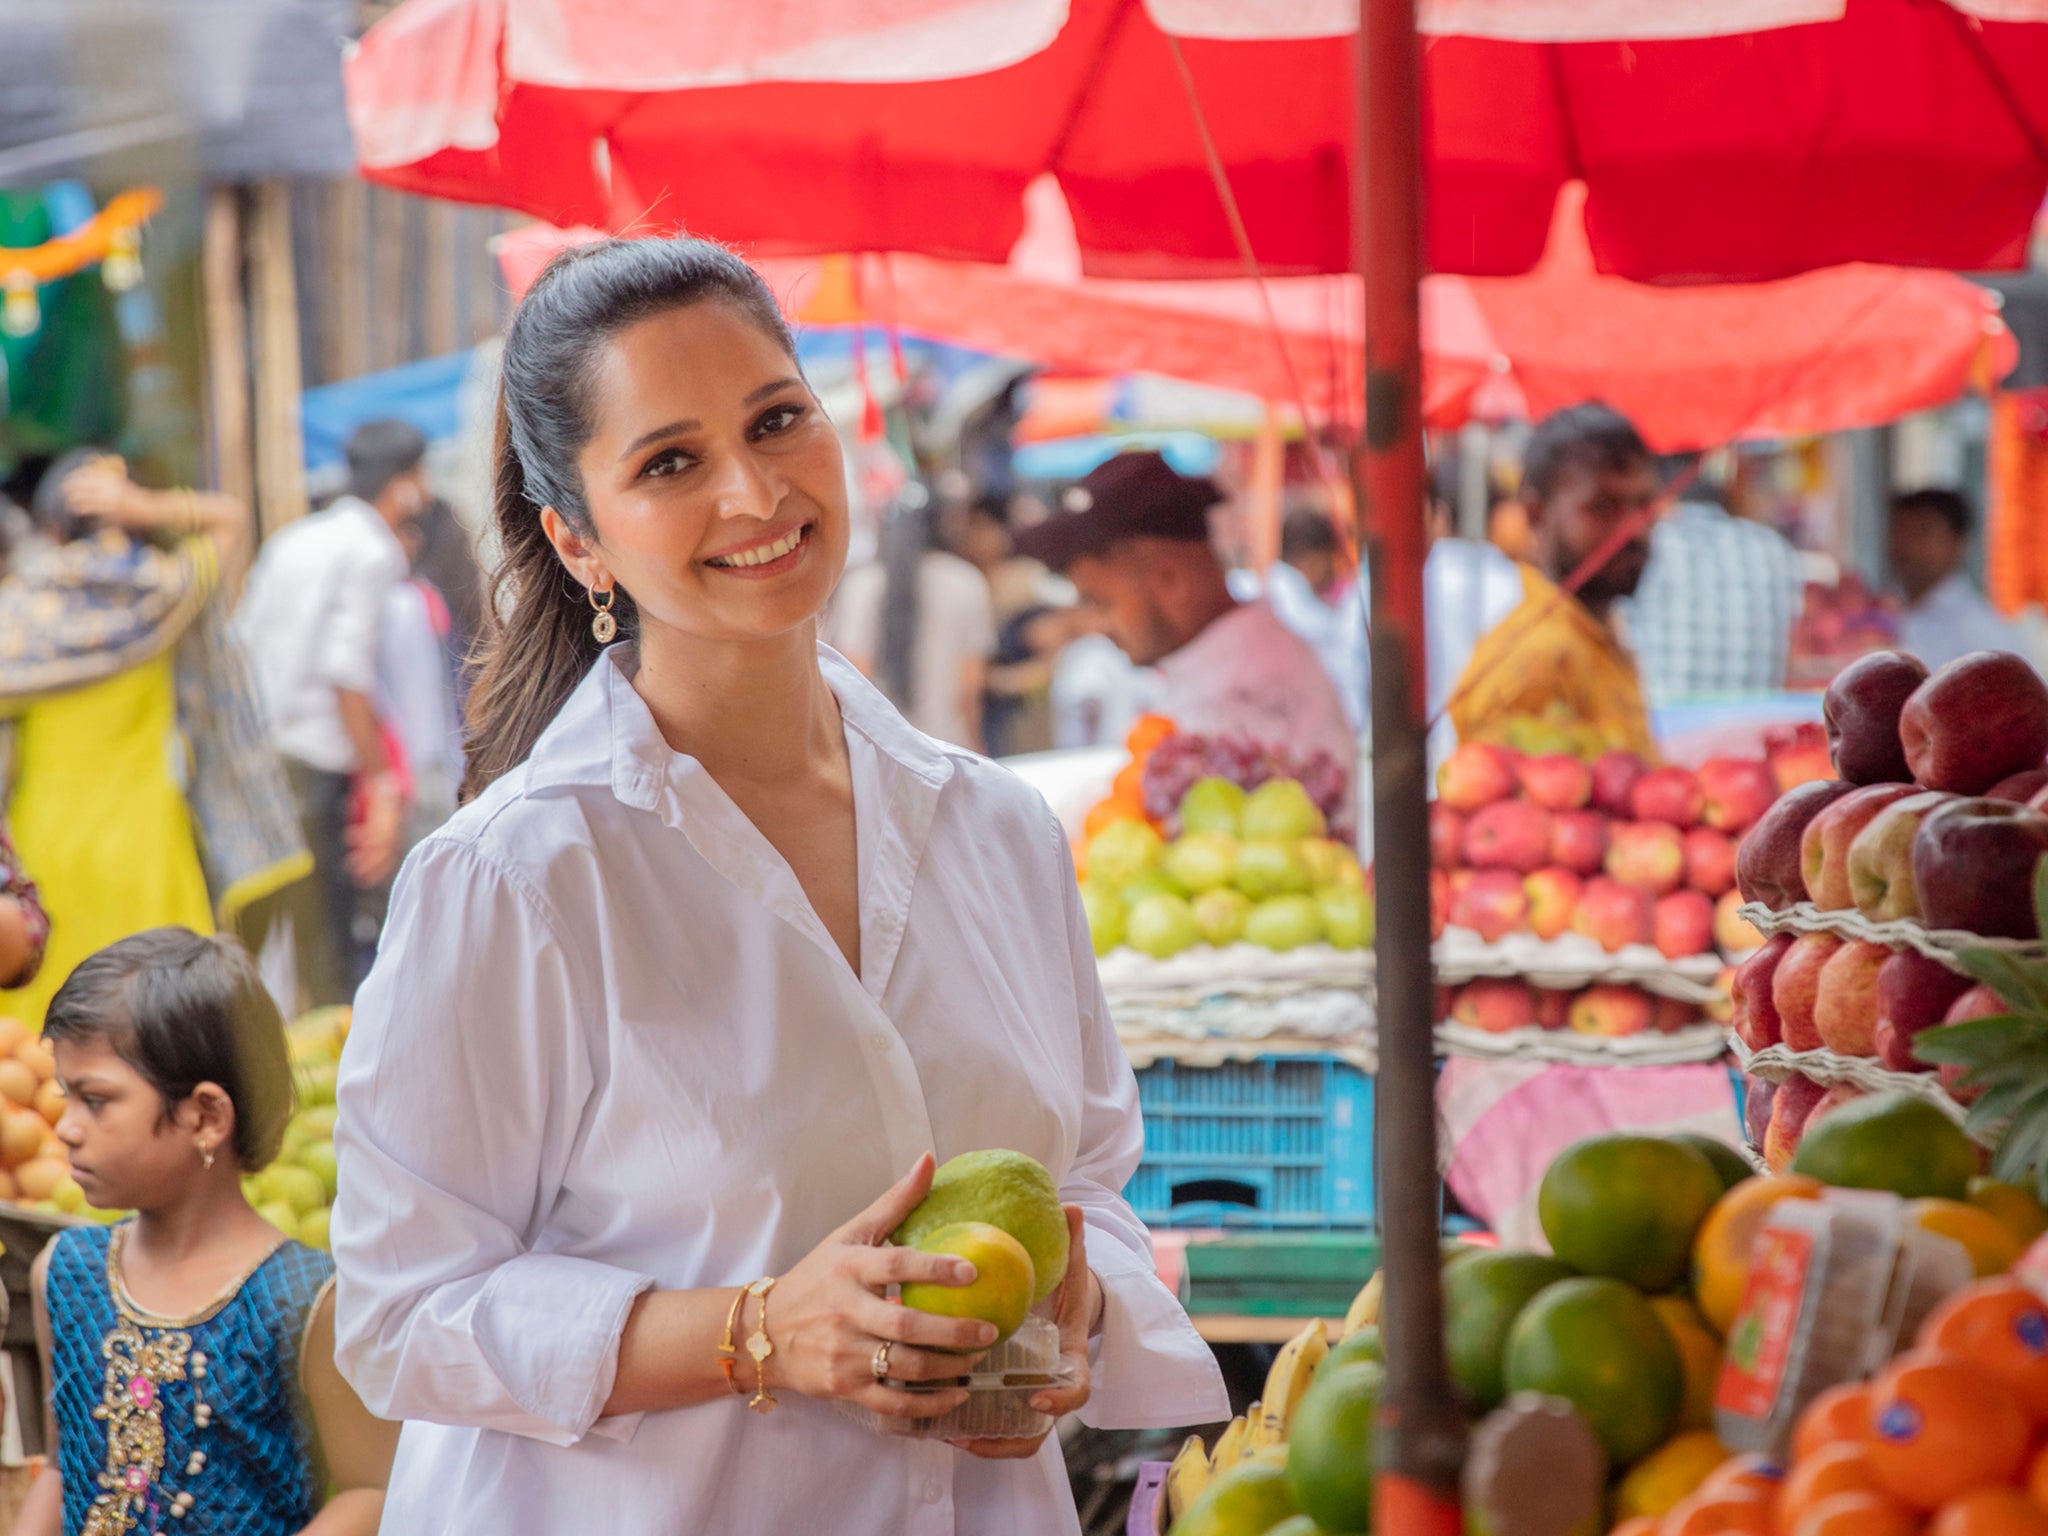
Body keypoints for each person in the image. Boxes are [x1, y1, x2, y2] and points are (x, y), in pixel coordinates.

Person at [327, 237, 1226, 1534]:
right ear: (579, 539)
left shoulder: (1001, 832)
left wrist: (1064, 1309)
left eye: (777, 419)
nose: (755, 492)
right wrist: (757, 1333)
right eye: (671, 462)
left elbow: (1083, 1182)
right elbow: (406, 1314)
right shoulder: (514, 881)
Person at [14, 927, 396, 1536]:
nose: (66, 1128)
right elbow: (62, 1471)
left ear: (206, 1116)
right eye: (66, 1096)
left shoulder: (305, 1300)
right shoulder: (63, 1272)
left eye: (97, 1100)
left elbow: (369, 1489)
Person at [0, 454, 306, 1029]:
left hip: (46, 835)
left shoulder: (17, 612)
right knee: (156, 1017)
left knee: (43, 1032)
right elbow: (231, 521)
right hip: (145, 835)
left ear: (51, 527)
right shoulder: (159, 589)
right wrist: (148, 504)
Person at [1014, 451, 1357, 782]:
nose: (1094, 628)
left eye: (1101, 604)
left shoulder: (1237, 696)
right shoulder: (1228, 662)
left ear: (1171, 580)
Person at [236, 421, 425, 1005]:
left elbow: (241, 644)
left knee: (266, 939)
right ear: (405, 486)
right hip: (316, 769)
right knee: (329, 949)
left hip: (262, 763)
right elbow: (348, 676)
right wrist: (382, 782)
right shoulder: (370, 549)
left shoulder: (294, 538)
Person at [1448, 403, 1660, 759]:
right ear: (1536, 514)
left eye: (1644, 505)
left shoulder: (1594, 634)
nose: (1633, 529)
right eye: (1603, 507)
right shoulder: (1536, 659)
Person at [828, 489, 996, 751]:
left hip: (882, 753)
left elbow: (856, 675)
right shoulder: (966, 581)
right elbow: (970, 685)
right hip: (951, 750)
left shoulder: (861, 585)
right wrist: (978, 746)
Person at [1627, 459, 1807, 704]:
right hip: (1754, 726)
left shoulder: (1650, 546)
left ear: (1664, 502)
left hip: (1665, 729)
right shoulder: (1773, 546)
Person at [1890, 487, 2029, 671]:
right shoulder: (1877, 612)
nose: (1906, 544)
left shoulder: (1985, 635)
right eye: (1900, 530)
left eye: (1923, 532)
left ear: (1959, 542)